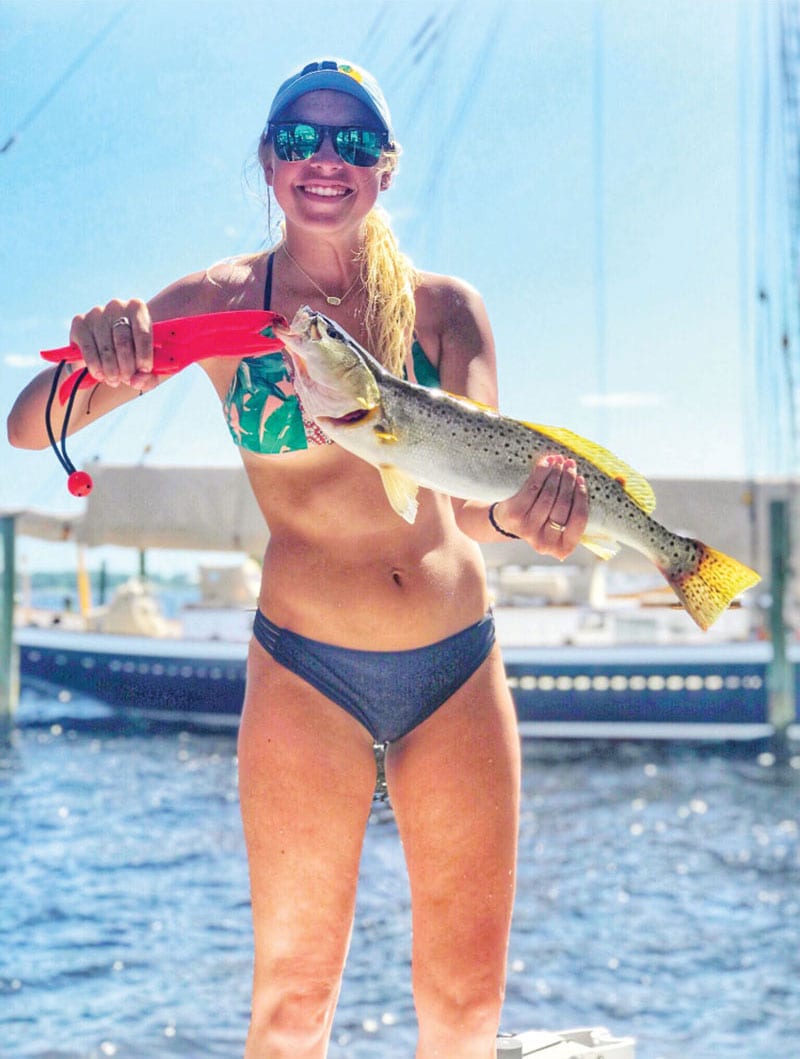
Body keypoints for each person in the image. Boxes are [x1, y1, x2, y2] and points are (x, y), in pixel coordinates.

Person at [7, 59, 588, 1059]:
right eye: (301, 139)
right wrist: (104, 350)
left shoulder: (447, 310)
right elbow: (29, 426)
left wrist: (536, 517)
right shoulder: (215, 304)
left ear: (386, 168)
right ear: (269, 161)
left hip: (452, 663)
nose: (327, 159)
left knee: (463, 1007)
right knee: (290, 1001)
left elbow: (474, 505)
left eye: (353, 142)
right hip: (303, 671)